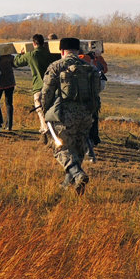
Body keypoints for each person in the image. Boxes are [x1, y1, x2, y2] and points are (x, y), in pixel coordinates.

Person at [40, 37, 102, 195]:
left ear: (62, 51)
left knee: (61, 149)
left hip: (64, 115)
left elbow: (46, 93)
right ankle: (70, 184)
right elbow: (97, 93)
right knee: (78, 148)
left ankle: (78, 174)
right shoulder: (91, 68)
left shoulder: (57, 66)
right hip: (86, 114)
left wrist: (46, 113)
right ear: (78, 51)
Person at [13, 33, 60, 142]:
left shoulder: (31, 55)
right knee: (51, 112)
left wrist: (20, 54)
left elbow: (16, 62)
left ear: (34, 43)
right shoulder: (51, 54)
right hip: (53, 88)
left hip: (38, 88)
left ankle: (46, 134)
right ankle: (46, 134)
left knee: (41, 112)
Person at [0, 50, 16, 132]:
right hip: (10, 82)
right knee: (9, 103)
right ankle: (9, 125)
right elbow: (16, 64)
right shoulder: (9, 56)